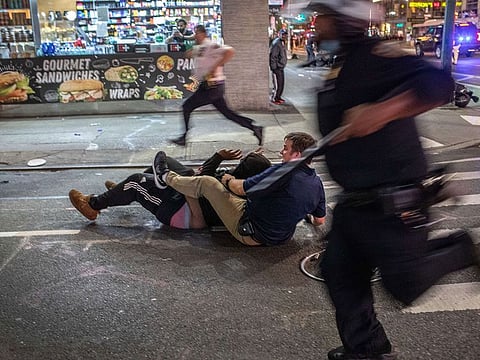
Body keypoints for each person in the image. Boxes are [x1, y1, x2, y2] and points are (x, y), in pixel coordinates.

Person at [304, 1, 479, 359]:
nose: (315, 23)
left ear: (343, 21)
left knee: (405, 284)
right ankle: (367, 350)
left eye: (321, 17)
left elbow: (439, 83)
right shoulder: (339, 66)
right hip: (354, 204)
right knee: (340, 275)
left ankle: (464, 248)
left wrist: (383, 112)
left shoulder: (377, 55)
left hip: (393, 203)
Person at [153, 132, 326, 246]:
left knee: (207, 183)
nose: (281, 152)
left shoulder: (282, 172)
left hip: (251, 232)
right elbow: (320, 220)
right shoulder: (316, 184)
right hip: (281, 238)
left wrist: (228, 180)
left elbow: (242, 189)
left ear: (296, 155)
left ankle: (165, 177)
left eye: (285, 149)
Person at [69, 148, 271, 231]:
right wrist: (218, 156)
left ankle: (94, 205)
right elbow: (201, 178)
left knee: (136, 181)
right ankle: (121, 193)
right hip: (190, 196)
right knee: (171, 163)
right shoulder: (246, 185)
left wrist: (217, 158)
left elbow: (202, 181)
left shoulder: (231, 186)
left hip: (182, 210)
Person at [170, 25, 263, 146]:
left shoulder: (211, 45)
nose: (195, 36)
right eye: (194, 33)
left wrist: (216, 66)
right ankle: (255, 128)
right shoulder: (201, 47)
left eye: (197, 33)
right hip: (210, 86)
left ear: (202, 34)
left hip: (212, 86)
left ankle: (184, 137)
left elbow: (230, 51)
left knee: (187, 107)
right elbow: (190, 54)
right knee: (228, 114)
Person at [269, 29, 288, 105]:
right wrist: (274, 67)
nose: (284, 36)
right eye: (283, 34)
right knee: (277, 84)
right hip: (277, 68)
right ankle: (274, 98)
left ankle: (278, 97)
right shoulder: (277, 43)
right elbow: (273, 56)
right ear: (279, 34)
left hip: (280, 67)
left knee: (281, 83)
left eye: (285, 34)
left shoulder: (281, 42)